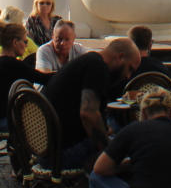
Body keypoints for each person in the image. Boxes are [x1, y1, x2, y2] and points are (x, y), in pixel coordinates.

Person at [42, 37, 140, 168]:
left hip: (46, 151)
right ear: (120, 57)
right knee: (134, 157)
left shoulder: (88, 61)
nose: (128, 76)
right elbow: (88, 114)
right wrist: (110, 155)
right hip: (62, 155)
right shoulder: (98, 67)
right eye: (130, 69)